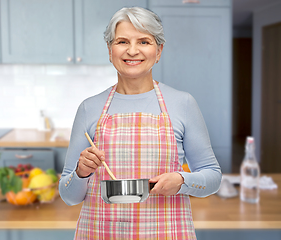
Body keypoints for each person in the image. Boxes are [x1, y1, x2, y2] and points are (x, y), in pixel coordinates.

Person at [59, 6, 221, 239]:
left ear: (159, 50)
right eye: (122, 41)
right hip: (100, 233)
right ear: (110, 50)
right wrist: (81, 172)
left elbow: (212, 177)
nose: (132, 51)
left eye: (144, 42)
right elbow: (68, 196)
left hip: (166, 233)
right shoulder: (89, 108)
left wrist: (182, 180)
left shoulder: (183, 103)